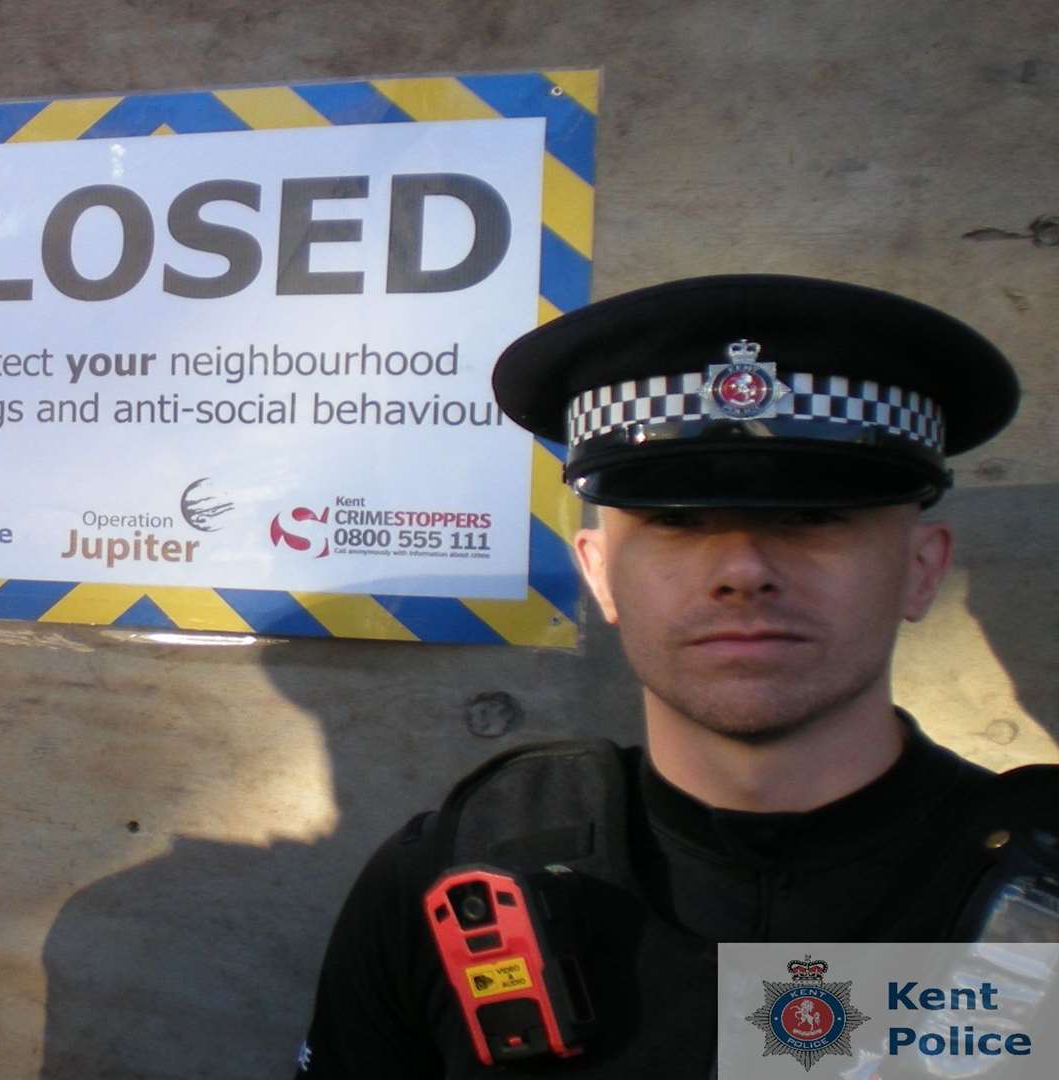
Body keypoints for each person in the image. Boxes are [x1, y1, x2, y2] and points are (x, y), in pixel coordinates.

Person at [294, 274, 1058, 1076]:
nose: (743, 570)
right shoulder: (450, 880)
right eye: (676, 522)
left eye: (812, 517)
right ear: (598, 575)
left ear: (922, 569)